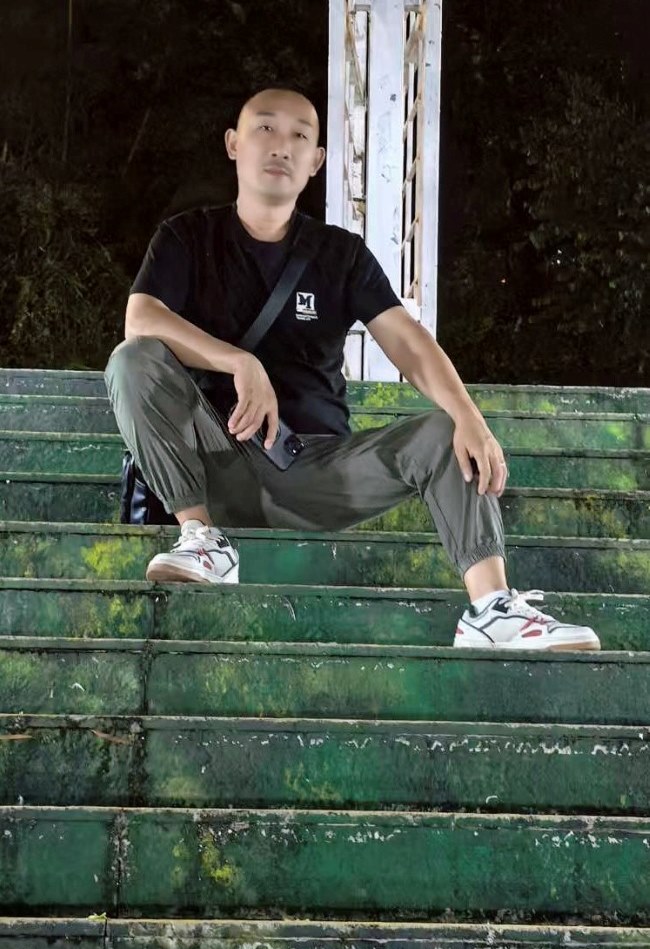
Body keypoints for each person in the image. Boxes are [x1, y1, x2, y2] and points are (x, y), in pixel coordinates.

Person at [105, 86, 600, 651]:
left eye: (300, 135)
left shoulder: (339, 254)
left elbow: (407, 340)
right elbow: (141, 318)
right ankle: (201, 539)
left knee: (447, 429)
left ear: (316, 160)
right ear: (233, 144)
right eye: (265, 128)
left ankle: (492, 610)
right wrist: (238, 360)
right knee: (133, 360)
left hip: (316, 468)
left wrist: (470, 416)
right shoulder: (186, 237)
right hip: (214, 458)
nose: (281, 145)